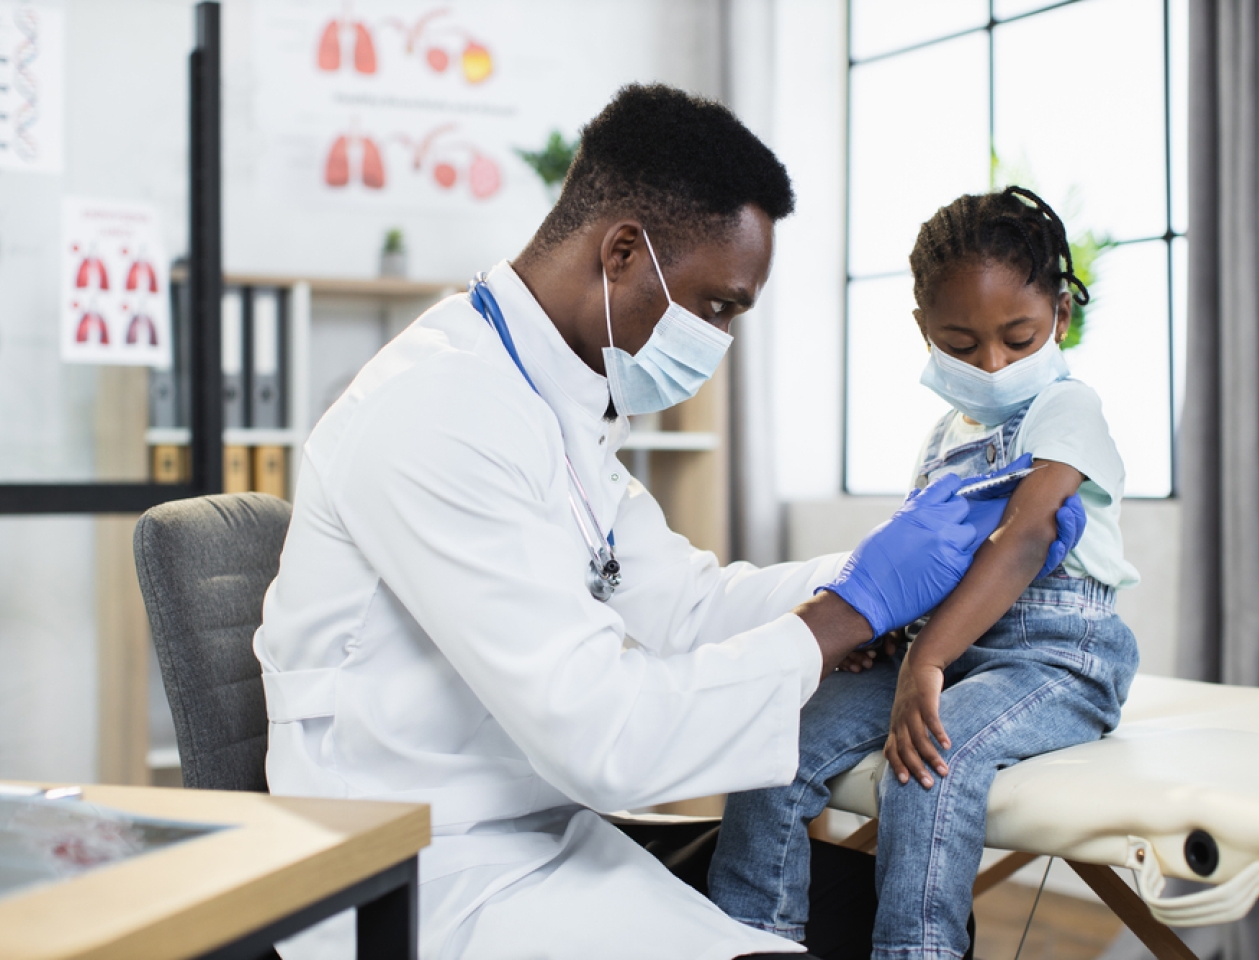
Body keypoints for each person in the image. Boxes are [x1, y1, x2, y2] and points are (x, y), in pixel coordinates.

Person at [255, 87, 1085, 960]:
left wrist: (876, 574)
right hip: (421, 877)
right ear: (621, 253)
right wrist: (850, 611)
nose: (720, 337)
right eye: (718, 306)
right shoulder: (436, 413)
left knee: (856, 902)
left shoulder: (556, 404)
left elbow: (683, 605)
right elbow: (599, 734)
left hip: (541, 834)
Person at [707, 187, 1141, 960]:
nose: (995, 364)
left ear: (1061, 320)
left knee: (929, 766)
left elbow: (1024, 535)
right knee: (773, 746)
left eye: (1019, 337)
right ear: (925, 332)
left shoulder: (1068, 407)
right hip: (938, 651)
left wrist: (929, 660)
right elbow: (921, 564)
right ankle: (747, 940)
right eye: (964, 344)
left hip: (1055, 660)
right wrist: (892, 641)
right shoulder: (945, 434)